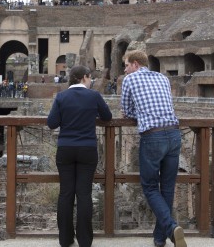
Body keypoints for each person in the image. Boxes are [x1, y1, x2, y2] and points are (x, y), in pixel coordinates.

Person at [120, 50, 187, 247]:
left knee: (149, 187)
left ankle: (171, 227)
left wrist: (134, 112)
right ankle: (160, 239)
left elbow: (126, 110)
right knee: (167, 187)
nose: (125, 70)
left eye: (126, 65)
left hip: (153, 135)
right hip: (174, 134)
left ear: (135, 64)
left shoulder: (130, 80)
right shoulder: (162, 78)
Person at [47, 65, 113, 247]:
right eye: (90, 78)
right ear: (84, 77)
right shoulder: (94, 96)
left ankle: (65, 239)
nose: (91, 81)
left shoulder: (61, 97)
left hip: (65, 149)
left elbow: (52, 123)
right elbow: (107, 117)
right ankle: (84, 240)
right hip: (87, 149)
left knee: (66, 193)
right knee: (84, 194)